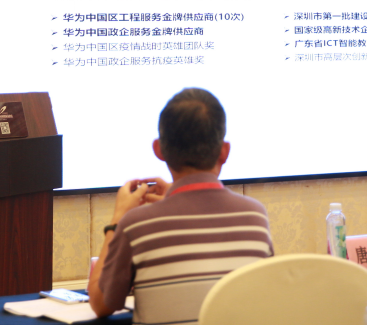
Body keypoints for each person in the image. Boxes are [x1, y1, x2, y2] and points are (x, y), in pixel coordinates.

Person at [88, 88, 273, 324]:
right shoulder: (256, 216)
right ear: (224, 152)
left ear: (159, 150)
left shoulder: (135, 225)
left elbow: (100, 303)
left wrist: (117, 220)